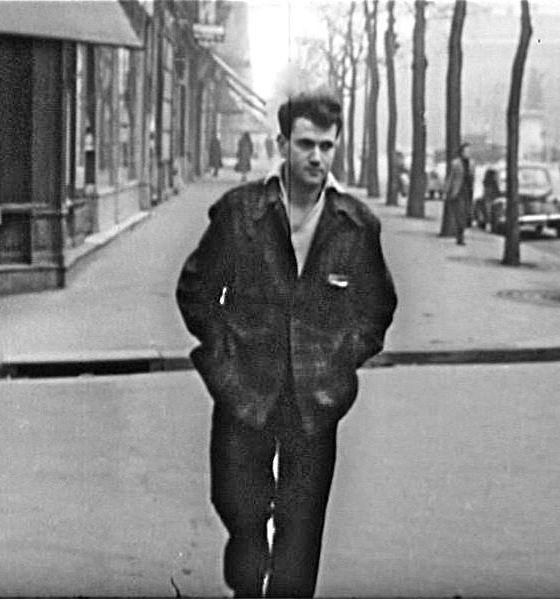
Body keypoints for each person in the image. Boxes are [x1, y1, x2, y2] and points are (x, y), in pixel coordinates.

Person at [176, 90, 397, 598]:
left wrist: (339, 361)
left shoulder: (356, 225)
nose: (316, 157)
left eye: (326, 146)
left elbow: (377, 308)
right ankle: (246, 582)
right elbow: (195, 291)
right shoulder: (241, 212)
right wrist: (224, 359)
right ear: (282, 144)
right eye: (305, 144)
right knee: (238, 505)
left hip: (314, 399)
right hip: (246, 390)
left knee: (302, 523)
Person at [442, 142, 475, 245]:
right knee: (460, 214)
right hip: (458, 191)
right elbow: (451, 178)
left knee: (465, 214)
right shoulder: (456, 163)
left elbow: (472, 178)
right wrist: (446, 191)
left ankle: (461, 234)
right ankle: (460, 237)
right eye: (466, 151)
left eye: (469, 151)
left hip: (468, 192)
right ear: (462, 152)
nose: (468, 153)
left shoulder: (472, 164)